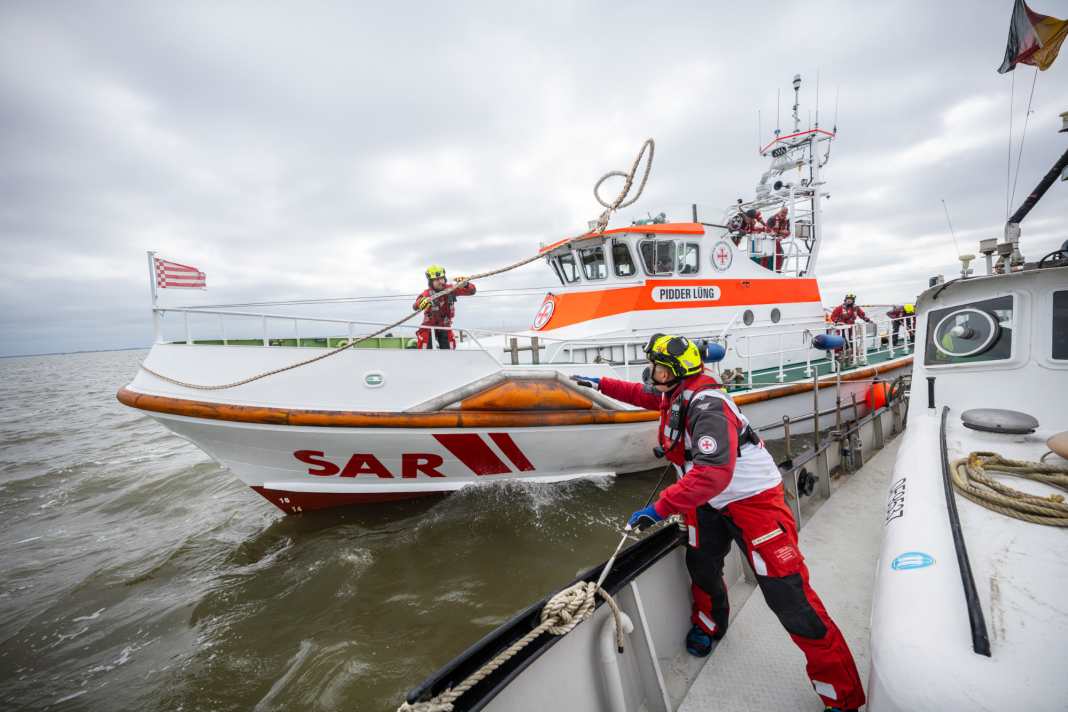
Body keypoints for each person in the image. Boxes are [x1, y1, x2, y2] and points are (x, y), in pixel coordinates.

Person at [570, 335, 865, 712]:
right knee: (702, 563)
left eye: (659, 369)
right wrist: (600, 385)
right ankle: (710, 624)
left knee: (789, 596)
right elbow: (645, 395)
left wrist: (658, 509)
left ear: (676, 372)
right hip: (708, 499)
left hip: (752, 501)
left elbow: (713, 473)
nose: (653, 375)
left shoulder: (708, 407)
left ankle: (842, 694)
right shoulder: (677, 392)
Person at [412, 265, 476, 349]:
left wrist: (466, 284)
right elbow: (415, 306)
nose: (440, 281)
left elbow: (471, 291)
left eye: (441, 278)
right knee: (425, 343)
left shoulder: (451, 289)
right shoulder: (427, 294)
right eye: (436, 280)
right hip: (429, 325)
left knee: (449, 347)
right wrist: (421, 302)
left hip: (445, 325)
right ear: (431, 282)